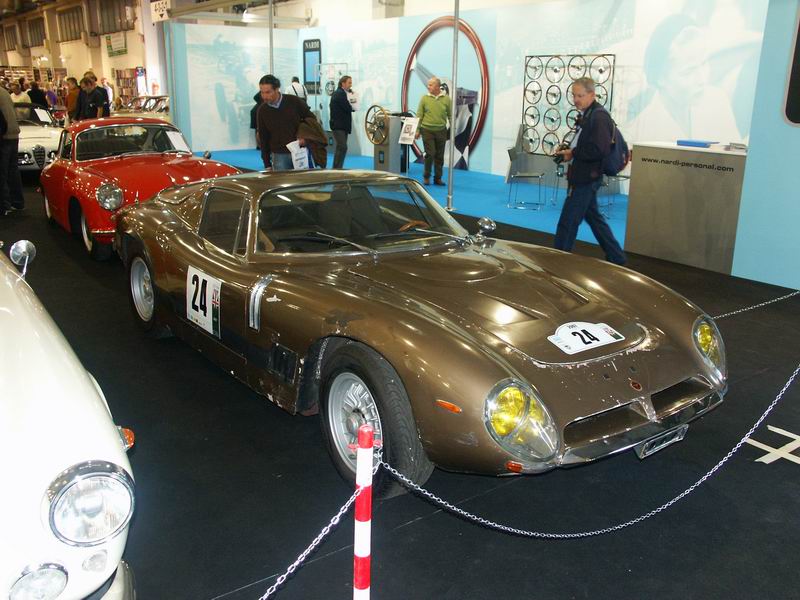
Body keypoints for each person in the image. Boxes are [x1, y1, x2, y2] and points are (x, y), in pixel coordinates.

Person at [553, 77, 626, 265]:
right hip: (584, 175)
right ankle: (617, 257)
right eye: (574, 95)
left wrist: (573, 152)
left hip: (586, 178)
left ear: (592, 94)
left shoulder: (598, 117)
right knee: (594, 219)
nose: (576, 100)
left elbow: (599, 149)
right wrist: (570, 151)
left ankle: (557, 262)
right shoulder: (588, 114)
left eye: (580, 96)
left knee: (568, 223)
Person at [256, 74, 313, 171]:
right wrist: (267, 164)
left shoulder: (294, 101)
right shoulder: (262, 110)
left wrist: (305, 138)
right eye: (262, 92)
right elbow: (263, 138)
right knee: (281, 181)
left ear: (277, 89)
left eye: (268, 92)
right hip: (279, 155)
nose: (264, 96)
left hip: (300, 152)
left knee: (303, 180)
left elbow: (311, 120)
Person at [415, 76, 451, 185]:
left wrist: (453, 129)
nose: (428, 86)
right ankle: (426, 176)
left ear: (437, 86)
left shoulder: (446, 99)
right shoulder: (424, 98)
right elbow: (419, 115)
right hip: (427, 130)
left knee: (439, 156)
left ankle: (438, 178)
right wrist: (417, 130)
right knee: (430, 154)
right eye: (428, 84)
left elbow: (450, 115)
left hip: (441, 130)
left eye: (431, 85)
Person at [0, 85, 25, 216]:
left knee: (2, 173)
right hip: (13, 134)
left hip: (3, 136)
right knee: (13, 170)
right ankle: (17, 202)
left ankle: (5, 206)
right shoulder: (4, 92)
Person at [329, 75, 354, 169]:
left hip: (342, 125)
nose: (351, 85)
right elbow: (348, 107)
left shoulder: (343, 93)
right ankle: (336, 169)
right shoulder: (340, 94)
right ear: (343, 83)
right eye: (349, 83)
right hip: (338, 125)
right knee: (342, 147)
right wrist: (353, 101)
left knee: (341, 147)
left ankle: (337, 168)